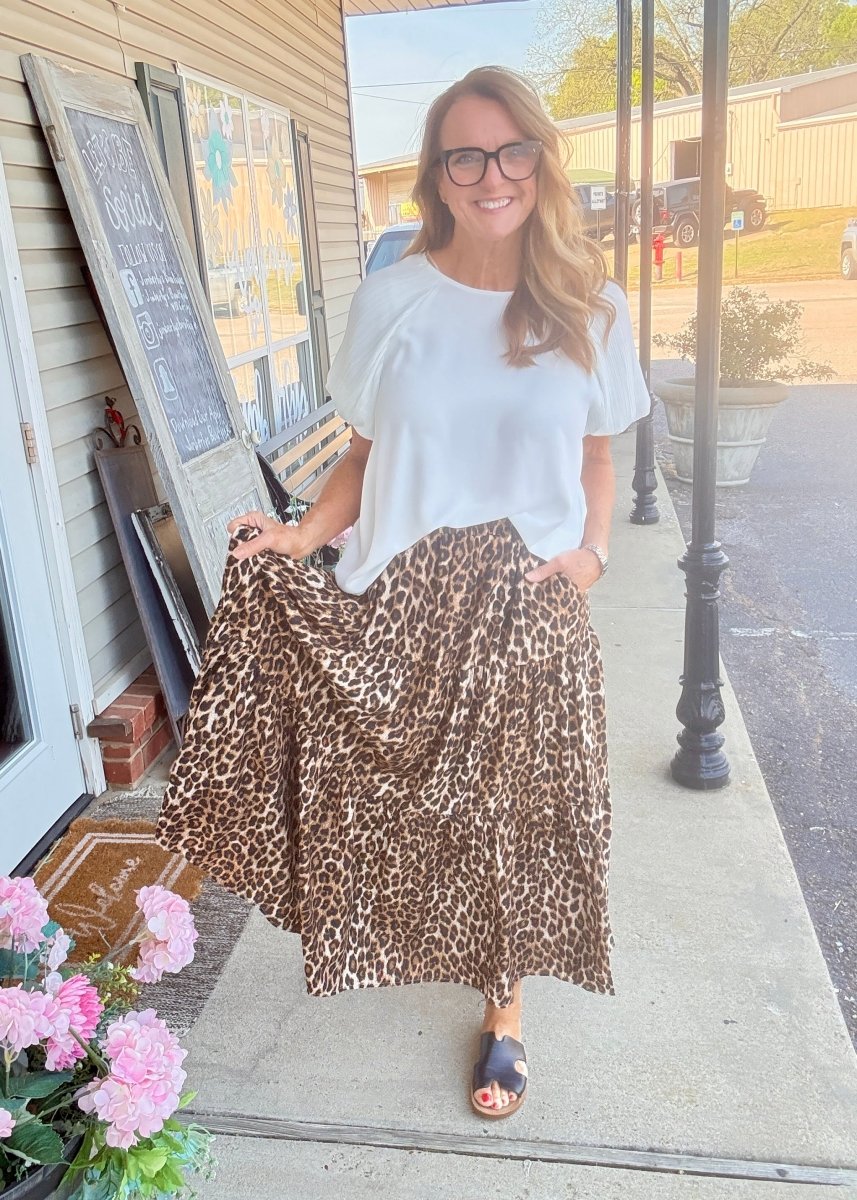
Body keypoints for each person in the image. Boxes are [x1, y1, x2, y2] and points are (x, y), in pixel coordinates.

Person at [155, 64, 651, 1122]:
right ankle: (405, 936)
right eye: (465, 156)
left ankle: (504, 1005)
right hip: (401, 596)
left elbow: (597, 457)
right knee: (397, 807)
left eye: (512, 150)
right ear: (435, 173)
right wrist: (300, 536)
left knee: (508, 818)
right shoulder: (394, 297)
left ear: (541, 161)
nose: (491, 175)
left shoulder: (590, 302)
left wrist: (593, 555)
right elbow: (364, 454)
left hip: (526, 598)